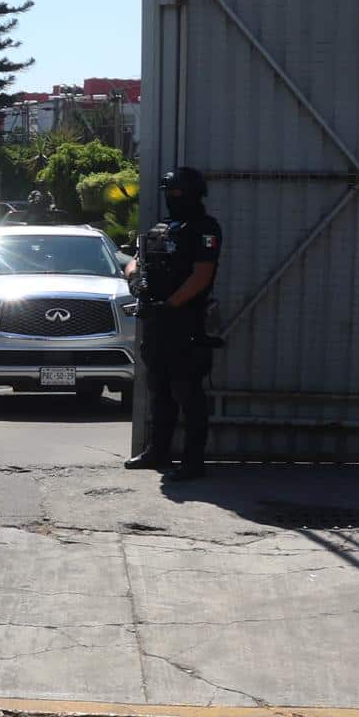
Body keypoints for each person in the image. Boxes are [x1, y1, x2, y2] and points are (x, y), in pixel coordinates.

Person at [123, 167, 221, 482]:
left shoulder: (204, 228)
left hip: (185, 320)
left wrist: (171, 304)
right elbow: (136, 260)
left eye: (177, 192)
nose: (172, 198)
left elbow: (202, 274)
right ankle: (158, 452)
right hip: (157, 319)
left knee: (187, 391)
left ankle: (193, 463)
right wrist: (134, 278)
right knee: (159, 389)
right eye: (169, 192)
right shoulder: (162, 227)